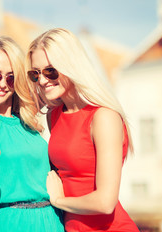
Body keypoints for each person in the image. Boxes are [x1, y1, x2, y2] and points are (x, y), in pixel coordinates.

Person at [25, 28, 140, 231]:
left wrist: (59, 200)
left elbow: (105, 202)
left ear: (70, 65)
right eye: (36, 74)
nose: (42, 80)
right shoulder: (55, 115)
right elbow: (57, 177)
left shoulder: (103, 117)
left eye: (50, 71)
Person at [0, 36, 64, 232]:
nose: (2, 84)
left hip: (54, 218)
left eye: (11, 77)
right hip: (15, 222)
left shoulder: (28, 121)